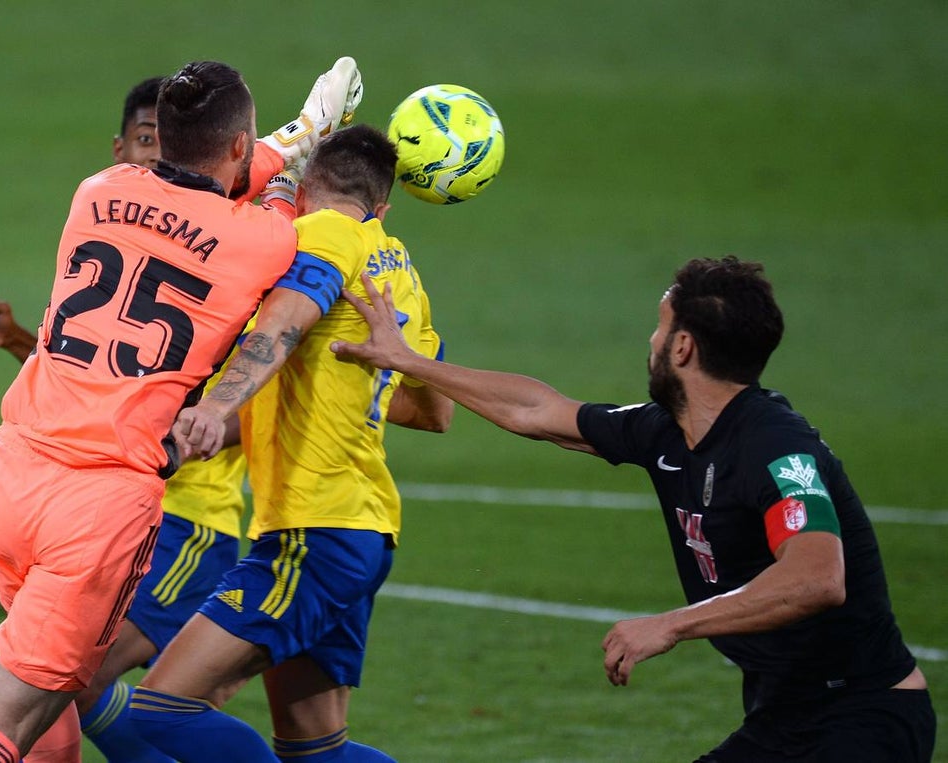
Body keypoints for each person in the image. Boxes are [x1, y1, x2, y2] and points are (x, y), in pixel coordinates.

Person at [0, 56, 364, 763]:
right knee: (1, 727)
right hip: (95, 505)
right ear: (236, 147)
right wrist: (313, 127)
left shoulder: (97, 190)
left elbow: (233, 169)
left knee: (54, 705)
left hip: (8, 476)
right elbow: (270, 183)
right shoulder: (263, 240)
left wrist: (294, 130)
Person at [329, 255, 937, 762]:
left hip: (864, 718)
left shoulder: (777, 450)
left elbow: (816, 577)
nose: (648, 341)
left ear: (682, 348)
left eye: (658, 327)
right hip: (785, 717)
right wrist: (409, 362)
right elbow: (539, 413)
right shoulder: (670, 432)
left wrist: (670, 624)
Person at [125, 124, 453, 763]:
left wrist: (218, 401)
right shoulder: (400, 269)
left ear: (301, 195)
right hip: (363, 527)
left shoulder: (327, 233)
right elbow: (431, 410)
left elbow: (283, 323)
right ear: (382, 208)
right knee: (316, 752)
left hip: (313, 532)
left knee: (163, 709)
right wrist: (207, 433)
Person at [0, 75, 250, 763]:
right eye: (147, 142)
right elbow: (105, 391)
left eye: (169, 144)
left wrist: (192, 432)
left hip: (185, 522)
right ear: (121, 149)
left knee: (57, 686)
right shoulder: (127, 236)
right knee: (47, 687)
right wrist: (18, 341)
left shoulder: (221, 256)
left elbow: (237, 405)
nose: (158, 161)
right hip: (90, 507)